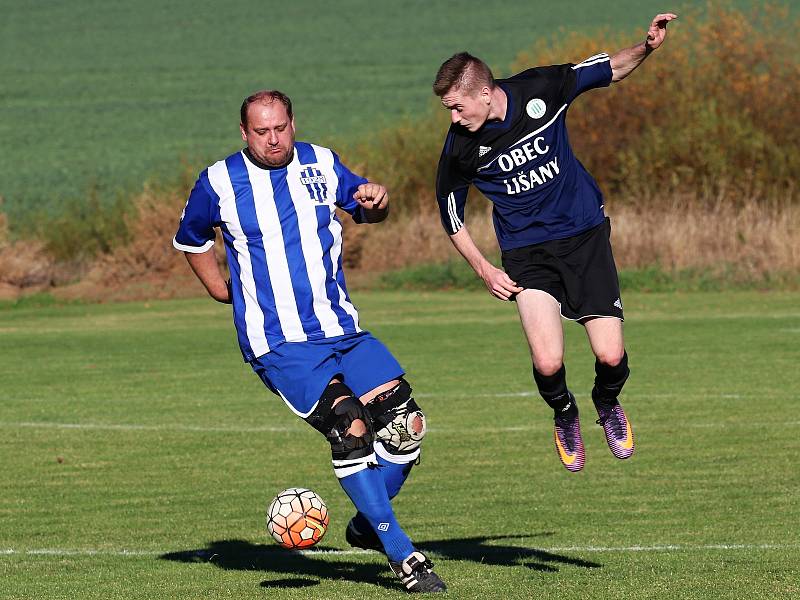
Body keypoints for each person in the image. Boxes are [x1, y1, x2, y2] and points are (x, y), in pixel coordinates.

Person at [172, 90, 446, 593]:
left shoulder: (321, 162)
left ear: (292, 123)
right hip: (279, 342)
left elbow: (364, 205)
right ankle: (403, 554)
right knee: (350, 426)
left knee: (407, 428)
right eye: (261, 131)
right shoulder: (218, 181)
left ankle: (366, 524)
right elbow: (190, 239)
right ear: (244, 133)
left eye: (280, 128)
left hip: (341, 328)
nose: (273, 139)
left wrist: (376, 200)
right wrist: (217, 287)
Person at [433, 14, 677, 472]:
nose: (453, 116)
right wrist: (484, 269)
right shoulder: (460, 145)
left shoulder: (541, 88)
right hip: (526, 253)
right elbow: (449, 213)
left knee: (610, 355)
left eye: (457, 106)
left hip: (584, 236)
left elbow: (607, 70)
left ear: (484, 93)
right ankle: (565, 413)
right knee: (547, 362)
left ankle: (606, 402)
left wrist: (646, 47)